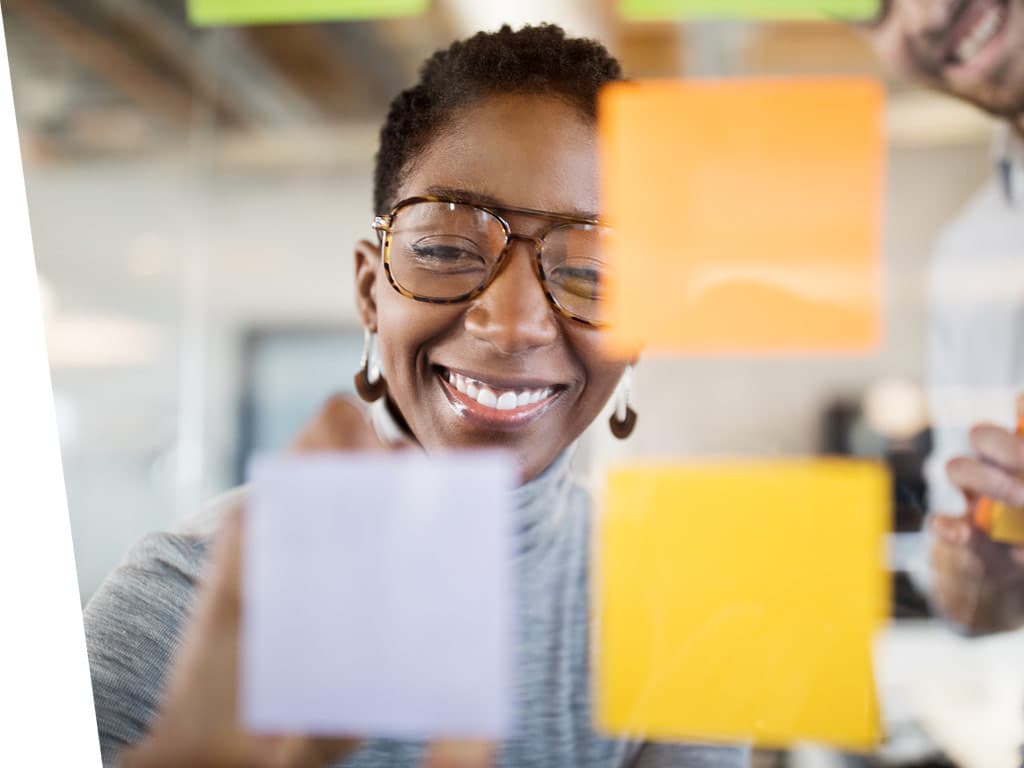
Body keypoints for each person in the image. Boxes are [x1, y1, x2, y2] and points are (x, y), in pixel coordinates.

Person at [84, 24, 749, 768]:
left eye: (591, 273)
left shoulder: (684, 612)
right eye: (444, 249)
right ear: (372, 292)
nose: (514, 323)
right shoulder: (182, 603)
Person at [859, 0, 1024, 633]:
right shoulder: (968, 256)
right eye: (871, 9)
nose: (926, 15)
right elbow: (975, 609)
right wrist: (990, 568)